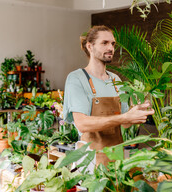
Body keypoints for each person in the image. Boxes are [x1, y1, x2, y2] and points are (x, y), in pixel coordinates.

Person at [63, 25, 154, 166]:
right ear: (90, 46)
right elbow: (82, 124)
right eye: (104, 43)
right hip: (90, 160)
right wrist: (125, 117)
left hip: (116, 158)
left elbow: (124, 123)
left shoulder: (115, 79)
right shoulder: (77, 78)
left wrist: (136, 112)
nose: (111, 48)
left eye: (112, 44)